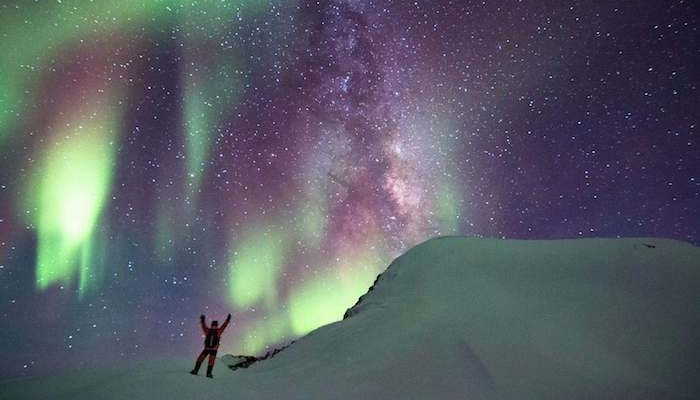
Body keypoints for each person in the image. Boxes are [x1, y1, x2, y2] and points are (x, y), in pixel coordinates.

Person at [190, 313, 231, 378]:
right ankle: (195, 370)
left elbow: (224, 326)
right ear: (212, 325)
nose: (214, 326)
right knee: (200, 359)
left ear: (216, 326)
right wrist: (202, 320)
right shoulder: (208, 331)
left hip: (214, 350)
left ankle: (208, 373)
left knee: (211, 361)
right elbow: (203, 326)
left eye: (215, 325)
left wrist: (227, 320)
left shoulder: (218, 331)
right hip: (206, 348)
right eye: (213, 325)